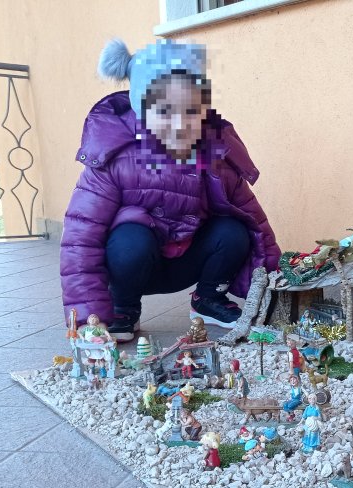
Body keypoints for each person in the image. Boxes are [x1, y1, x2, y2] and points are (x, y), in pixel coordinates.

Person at [60, 39, 281, 341]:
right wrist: (88, 318)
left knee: (234, 230)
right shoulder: (114, 157)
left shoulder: (214, 153)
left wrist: (275, 286)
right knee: (130, 240)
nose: (178, 123)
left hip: (188, 259)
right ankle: (124, 308)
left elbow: (255, 221)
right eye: (164, 111)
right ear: (141, 110)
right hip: (133, 262)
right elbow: (80, 239)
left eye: (189, 109)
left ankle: (208, 299)